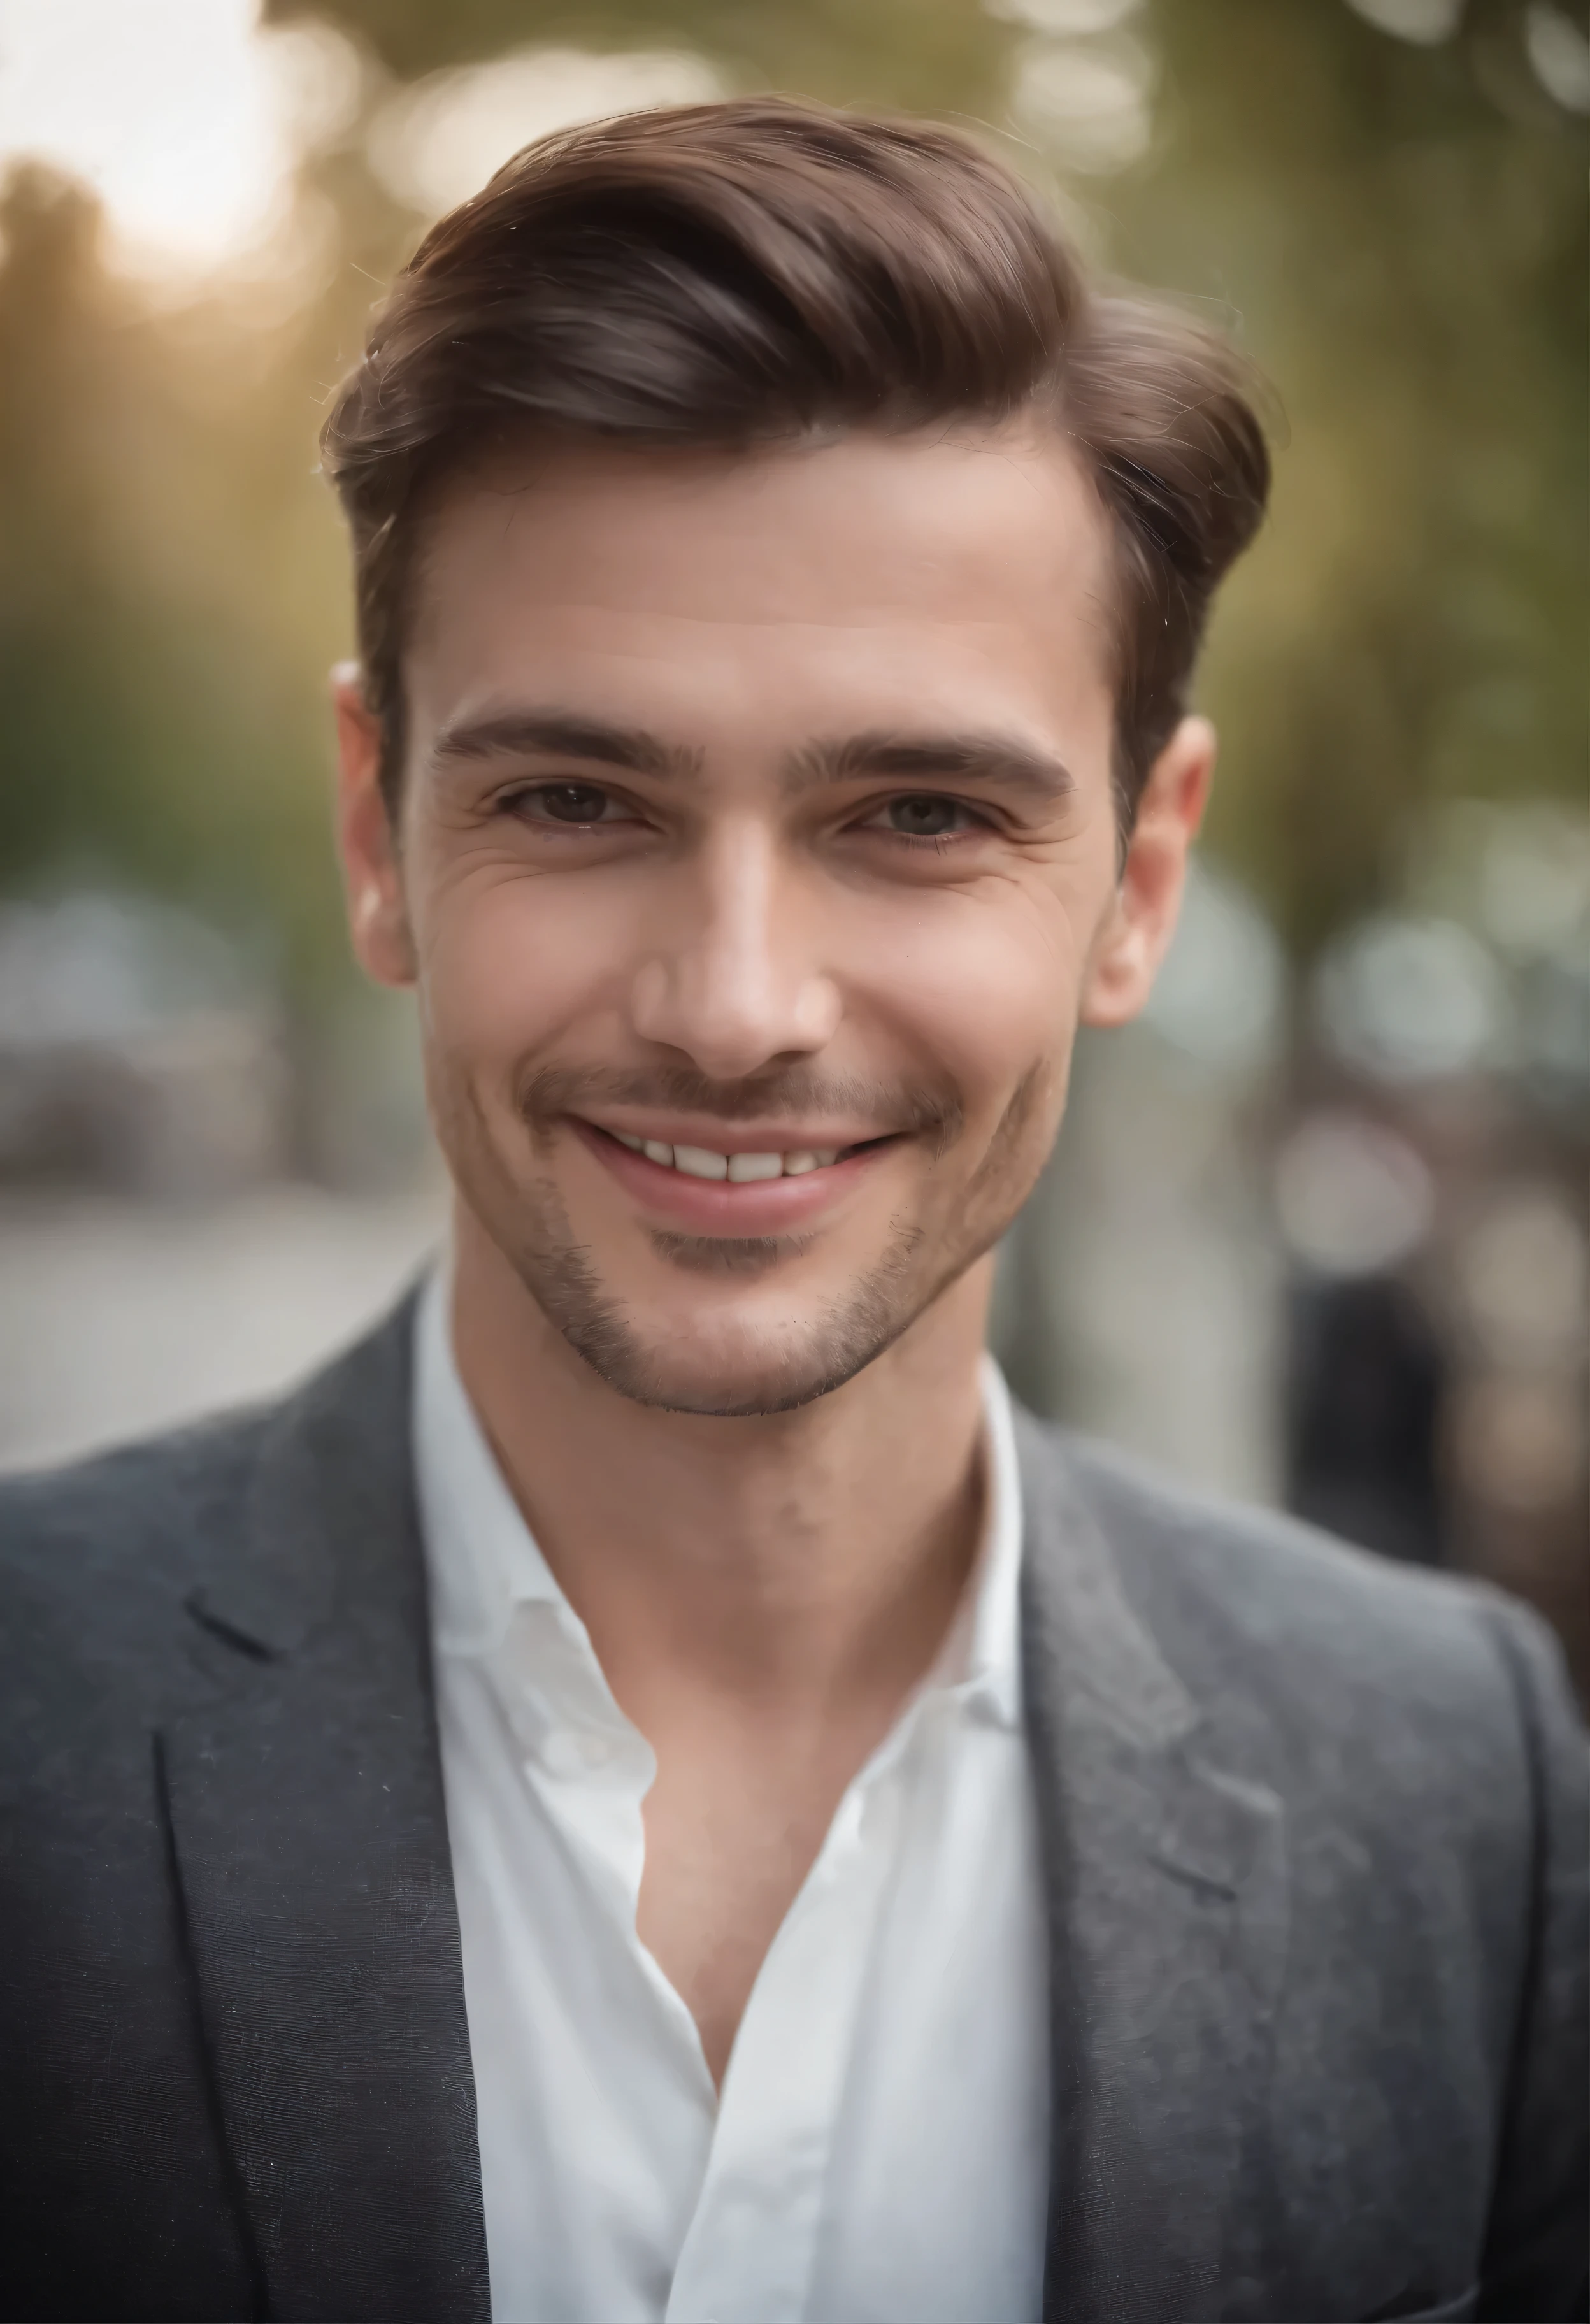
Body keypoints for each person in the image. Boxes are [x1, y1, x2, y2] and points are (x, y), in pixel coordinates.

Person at [0, 99, 1582, 2324]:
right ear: (378, 834)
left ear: (1138, 881)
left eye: (919, 814)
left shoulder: (1462, 1795)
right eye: (577, 796)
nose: (736, 1009)